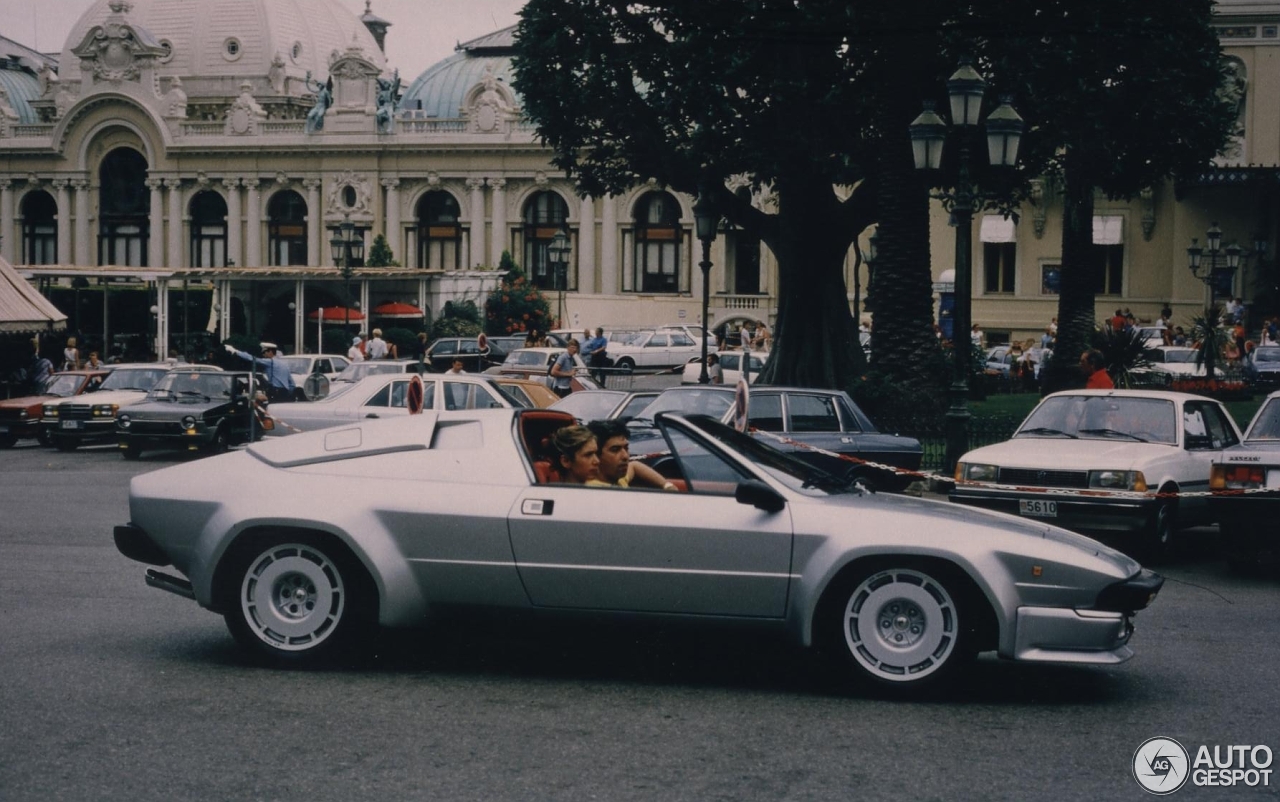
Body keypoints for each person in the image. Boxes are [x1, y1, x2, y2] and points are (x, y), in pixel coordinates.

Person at [586, 420, 677, 490]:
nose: (625, 456)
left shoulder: (616, 478)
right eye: (615, 450)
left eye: (626, 448)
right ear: (596, 456)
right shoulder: (595, 490)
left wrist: (667, 485)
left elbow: (634, 465)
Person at [224, 341, 298, 402]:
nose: (263, 354)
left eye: (265, 352)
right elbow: (292, 384)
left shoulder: (270, 362)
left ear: (271, 352)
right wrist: (287, 394)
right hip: (284, 392)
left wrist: (235, 351)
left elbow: (252, 359)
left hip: (275, 391)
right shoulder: (284, 364)